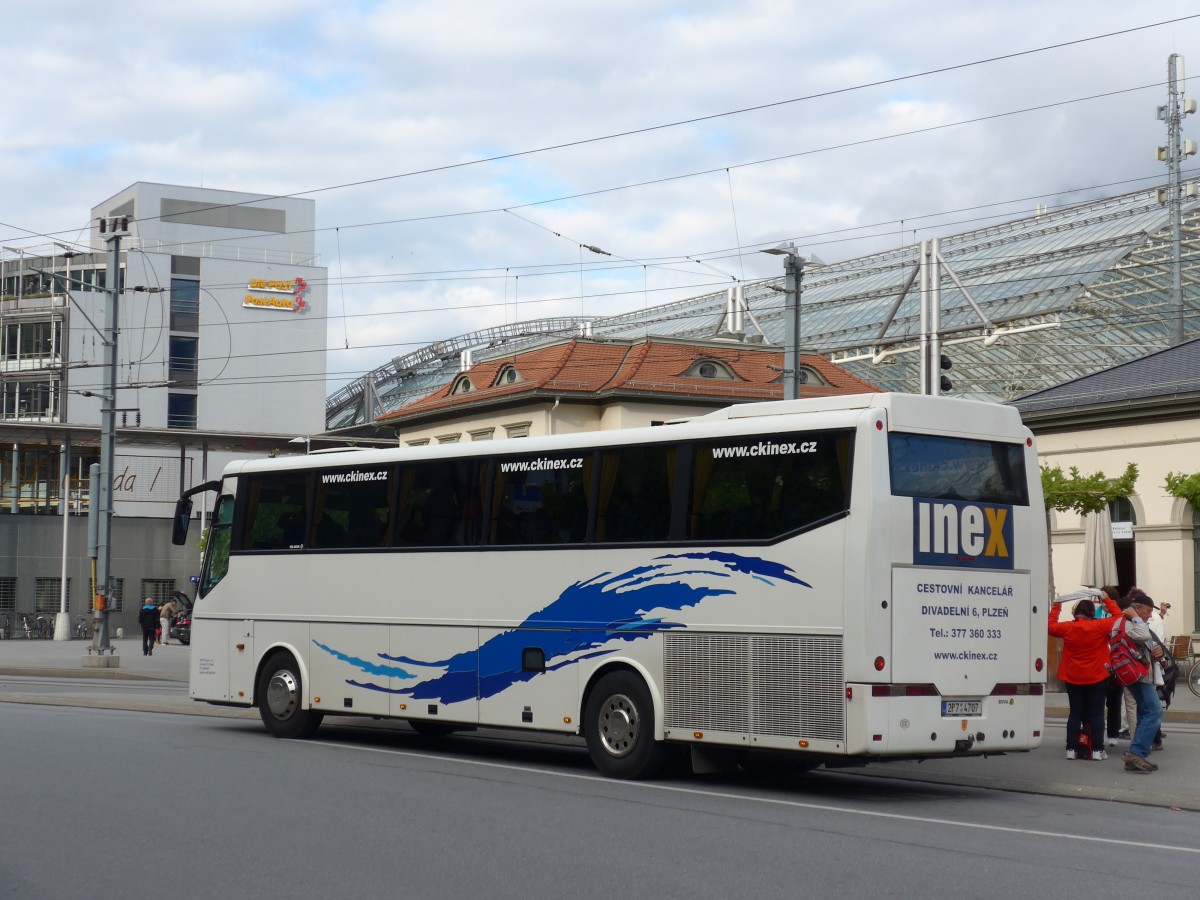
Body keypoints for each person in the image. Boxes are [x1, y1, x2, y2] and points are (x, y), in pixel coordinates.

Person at [1047, 589, 1122, 760]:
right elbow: (1119, 617)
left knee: (1075, 713)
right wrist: (1107, 599)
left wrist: (1057, 606)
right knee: (1097, 714)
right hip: (1097, 676)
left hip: (1073, 676)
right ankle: (1097, 750)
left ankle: (1071, 749)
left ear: (1076, 613)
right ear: (1091, 613)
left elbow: (1050, 626)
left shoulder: (1068, 627)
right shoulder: (1100, 626)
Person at [1118, 592, 1165, 773]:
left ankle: (1137, 755)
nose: (1149, 615)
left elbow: (1145, 642)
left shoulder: (1128, 622)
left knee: (1145, 712)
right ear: (1136, 609)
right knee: (1154, 711)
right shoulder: (1131, 621)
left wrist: (1156, 650)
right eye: (1146, 611)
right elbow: (1144, 635)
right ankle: (1136, 753)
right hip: (1138, 674)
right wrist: (1137, 618)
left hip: (1135, 672)